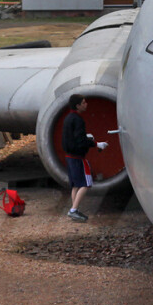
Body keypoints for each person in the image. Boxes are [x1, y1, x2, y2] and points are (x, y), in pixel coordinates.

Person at [61, 94, 107, 222]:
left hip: (69, 157)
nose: (86, 104)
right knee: (86, 184)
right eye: (84, 102)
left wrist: (86, 138)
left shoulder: (68, 118)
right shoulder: (78, 120)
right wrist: (96, 144)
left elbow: (72, 138)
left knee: (76, 185)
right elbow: (80, 141)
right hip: (78, 158)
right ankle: (73, 210)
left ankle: (74, 209)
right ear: (78, 105)